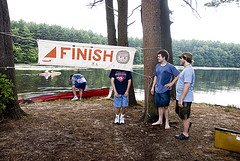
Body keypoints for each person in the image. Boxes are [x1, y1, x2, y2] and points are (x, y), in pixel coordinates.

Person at [151, 49, 180, 129]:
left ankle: (167, 123)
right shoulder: (157, 66)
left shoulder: (170, 66)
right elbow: (155, 76)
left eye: (159, 56)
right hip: (157, 89)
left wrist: (171, 83)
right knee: (159, 105)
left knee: (166, 106)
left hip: (166, 90)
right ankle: (160, 120)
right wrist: (153, 87)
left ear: (164, 57)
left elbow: (178, 75)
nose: (158, 58)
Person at [175, 52, 195, 140]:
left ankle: (185, 134)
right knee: (178, 112)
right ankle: (188, 123)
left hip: (185, 98)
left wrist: (181, 99)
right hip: (180, 97)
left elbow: (187, 85)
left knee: (185, 116)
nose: (180, 60)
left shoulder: (189, 70)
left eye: (181, 58)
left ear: (185, 58)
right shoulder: (186, 69)